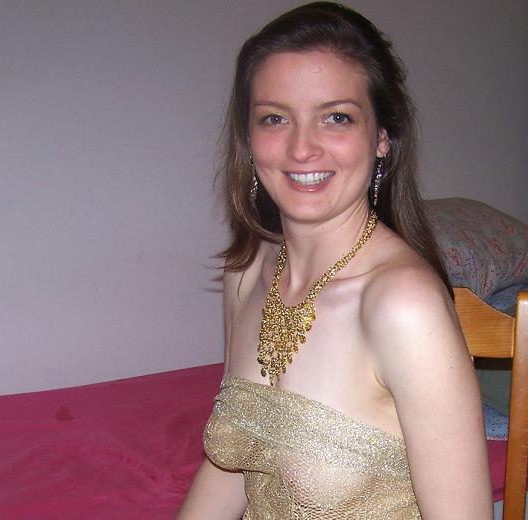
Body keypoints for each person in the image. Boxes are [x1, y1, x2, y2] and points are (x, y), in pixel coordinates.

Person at [177, 2, 491, 518]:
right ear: (249, 139)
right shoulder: (247, 274)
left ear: (382, 138)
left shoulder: (403, 306)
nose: (302, 149)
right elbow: (237, 461)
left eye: (336, 117)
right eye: (275, 118)